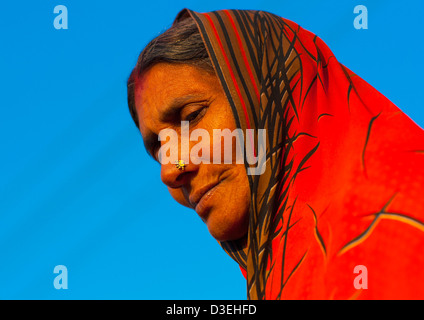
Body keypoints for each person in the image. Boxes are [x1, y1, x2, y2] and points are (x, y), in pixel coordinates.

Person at [126, 9, 424, 299]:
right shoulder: (283, 274)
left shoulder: (395, 224)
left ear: (272, 93)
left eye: (191, 117)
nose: (170, 170)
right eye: (159, 148)